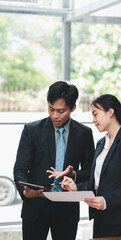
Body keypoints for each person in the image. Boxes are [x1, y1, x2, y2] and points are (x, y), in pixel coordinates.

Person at [13, 81, 95, 240]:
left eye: (61, 111)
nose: (55, 115)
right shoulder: (32, 130)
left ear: (73, 108)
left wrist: (74, 175)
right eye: (51, 109)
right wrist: (25, 191)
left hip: (67, 209)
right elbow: (20, 169)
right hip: (35, 207)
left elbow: (90, 170)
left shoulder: (84, 133)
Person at [61, 94, 121, 238]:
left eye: (95, 114)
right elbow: (97, 184)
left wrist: (106, 201)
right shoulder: (101, 144)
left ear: (110, 112)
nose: (93, 120)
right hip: (100, 217)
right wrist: (75, 187)